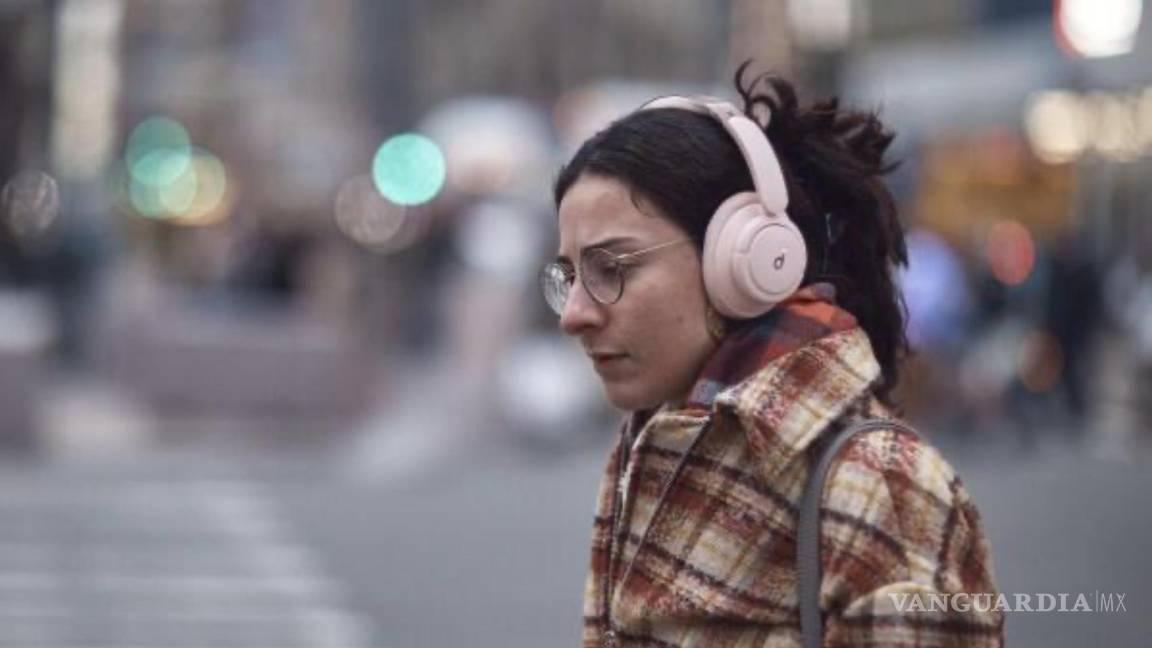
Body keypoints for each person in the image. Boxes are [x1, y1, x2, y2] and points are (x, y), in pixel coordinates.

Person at [540, 64, 1004, 647]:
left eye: (610, 268)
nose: (572, 314)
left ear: (747, 260)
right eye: (568, 276)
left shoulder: (882, 484)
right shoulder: (656, 439)